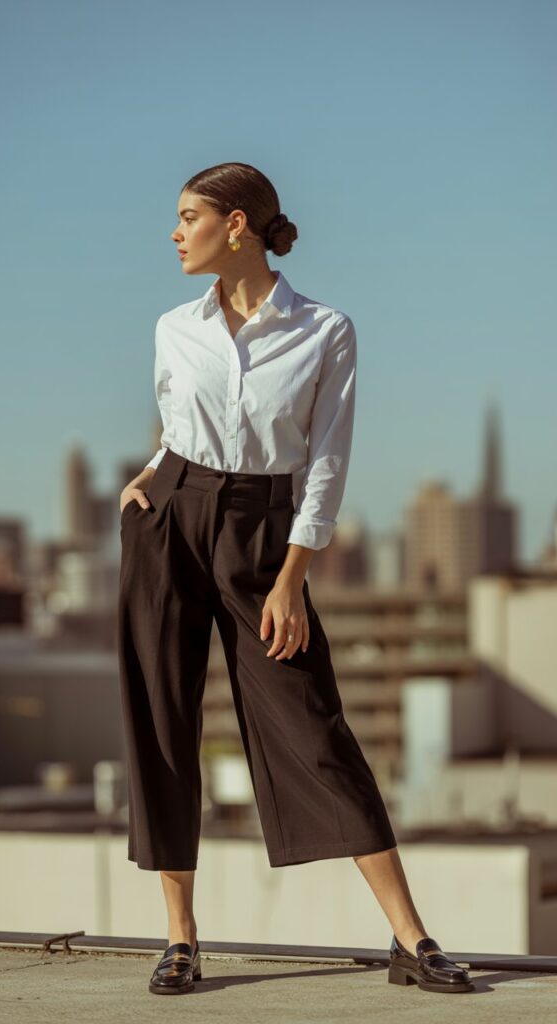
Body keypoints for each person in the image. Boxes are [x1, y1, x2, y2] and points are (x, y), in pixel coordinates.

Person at [117, 162, 473, 997]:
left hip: (264, 535)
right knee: (162, 721)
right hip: (170, 521)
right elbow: (174, 430)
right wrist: (148, 481)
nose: (175, 233)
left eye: (188, 216)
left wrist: (292, 576)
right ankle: (180, 940)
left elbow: (327, 459)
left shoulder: (325, 330)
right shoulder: (174, 327)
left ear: (235, 225)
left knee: (314, 725)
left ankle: (411, 939)